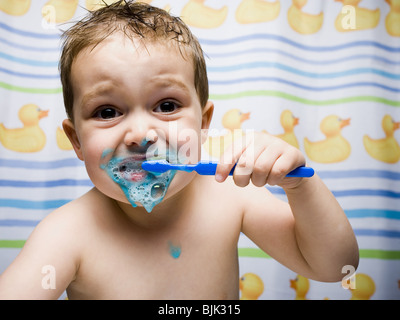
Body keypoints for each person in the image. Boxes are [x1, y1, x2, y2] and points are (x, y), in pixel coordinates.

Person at [0, 1, 358, 299]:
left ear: (203, 125)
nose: (141, 134)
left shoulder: (229, 196)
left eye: (167, 105)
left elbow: (333, 267)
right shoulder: (67, 232)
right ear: (76, 140)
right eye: (107, 112)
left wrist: (301, 187)